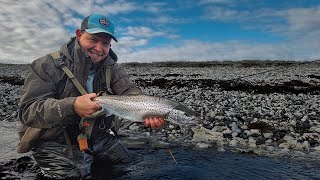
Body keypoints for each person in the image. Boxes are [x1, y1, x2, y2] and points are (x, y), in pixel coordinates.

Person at [17, 13, 165, 179]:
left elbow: (131, 93)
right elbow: (27, 111)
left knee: (124, 167)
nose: (99, 48)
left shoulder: (113, 68)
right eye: (93, 40)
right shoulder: (46, 65)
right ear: (79, 34)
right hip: (55, 143)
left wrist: (148, 113)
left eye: (105, 43)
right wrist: (72, 106)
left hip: (99, 137)